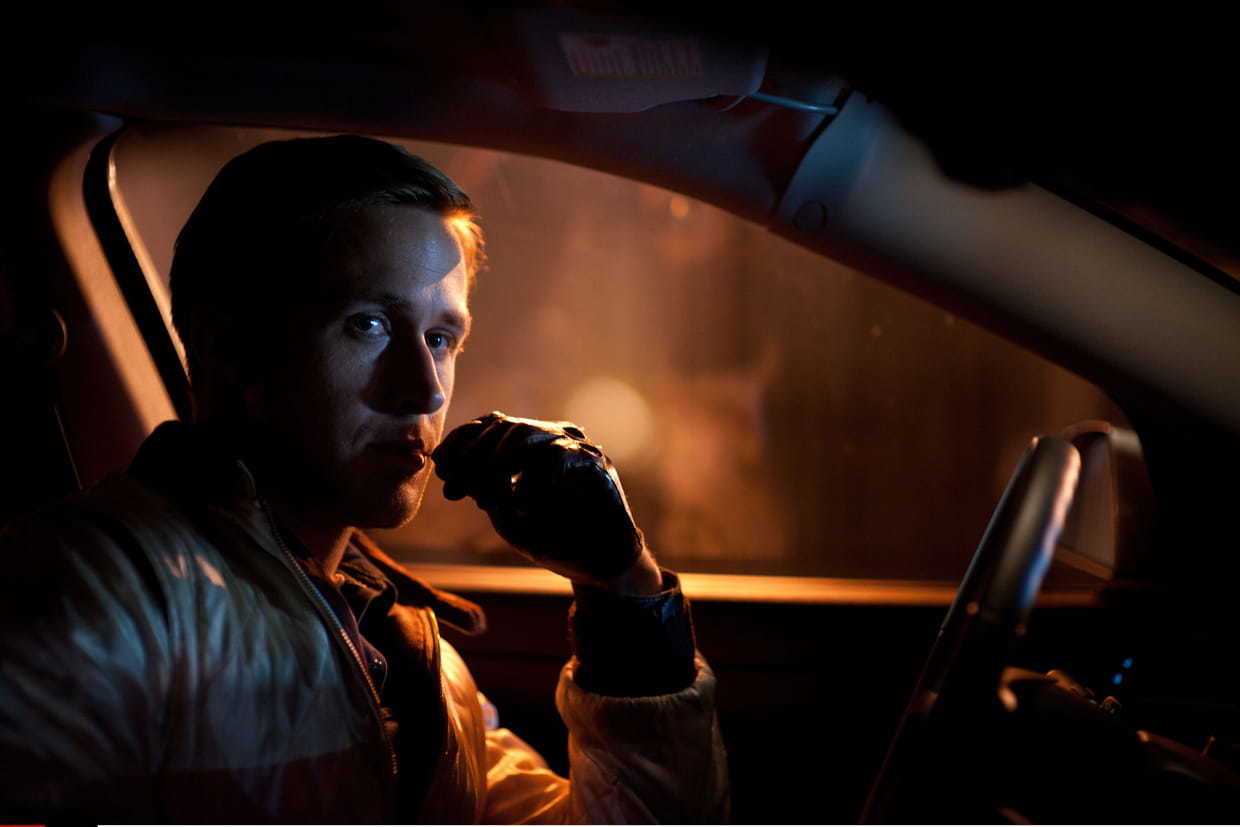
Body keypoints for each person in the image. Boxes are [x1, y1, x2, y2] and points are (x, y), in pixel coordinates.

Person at [0, 135, 728, 823]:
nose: (426, 389)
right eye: (369, 325)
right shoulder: (97, 588)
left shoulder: (414, 651)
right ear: (232, 351)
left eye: (441, 338)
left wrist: (625, 591)